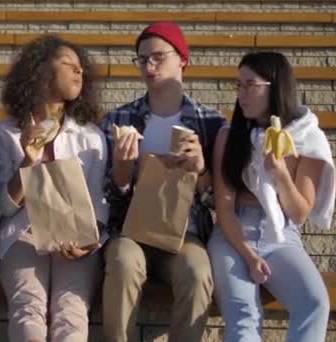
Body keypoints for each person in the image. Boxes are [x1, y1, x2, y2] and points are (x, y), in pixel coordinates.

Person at [99, 22, 226, 342]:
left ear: (183, 59)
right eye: (142, 60)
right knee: (123, 262)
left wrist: (200, 170)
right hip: (130, 231)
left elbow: (218, 201)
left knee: (197, 273)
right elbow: (107, 197)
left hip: (184, 234)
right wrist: (122, 170)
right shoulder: (118, 120)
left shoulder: (210, 123)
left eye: (158, 57)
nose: (149, 66)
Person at [208, 51, 335, 342]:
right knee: (244, 316)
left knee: (314, 303)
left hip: (280, 234)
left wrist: (279, 174)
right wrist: (249, 256)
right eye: (238, 85)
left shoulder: (307, 140)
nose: (241, 94)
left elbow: (300, 212)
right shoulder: (229, 137)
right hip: (233, 232)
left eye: (249, 85)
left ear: (274, 86)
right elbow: (224, 208)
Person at [0, 35, 109, 342]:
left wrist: (89, 239)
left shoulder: (90, 137)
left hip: (77, 237)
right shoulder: (6, 133)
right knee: (28, 306)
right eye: (69, 64)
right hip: (23, 235)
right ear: (41, 71)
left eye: (81, 67)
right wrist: (27, 163)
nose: (79, 72)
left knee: (70, 310)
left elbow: (99, 202)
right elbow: (3, 208)